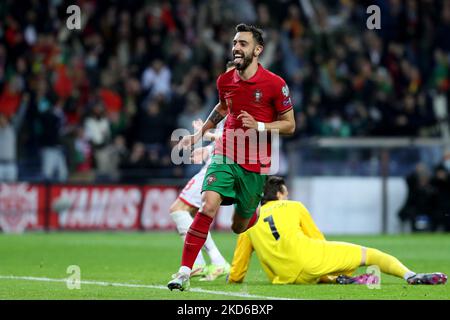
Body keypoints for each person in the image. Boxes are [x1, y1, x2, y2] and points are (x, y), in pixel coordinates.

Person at [168, 23, 296, 291]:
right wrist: (200, 133)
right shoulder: (225, 80)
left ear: (258, 50)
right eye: (235, 43)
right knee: (208, 205)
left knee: (240, 226)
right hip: (225, 154)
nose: (236, 48)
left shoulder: (275, 84)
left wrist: (260, 126)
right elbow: (223, 107)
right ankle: (183, 272)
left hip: (256, 166)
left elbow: (290, 125)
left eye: (243, 44)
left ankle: (250, 213)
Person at [228, 176, 447, 286]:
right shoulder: (294, 206)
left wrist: (234, 280)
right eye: (285, 192)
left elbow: (238, 268)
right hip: (311, 262)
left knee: (317, 265)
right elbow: (318, 239)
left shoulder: (249, 221)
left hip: (286, 277)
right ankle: (410, 276)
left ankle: (337, 278)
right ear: (279, 194)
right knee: (369, 254)